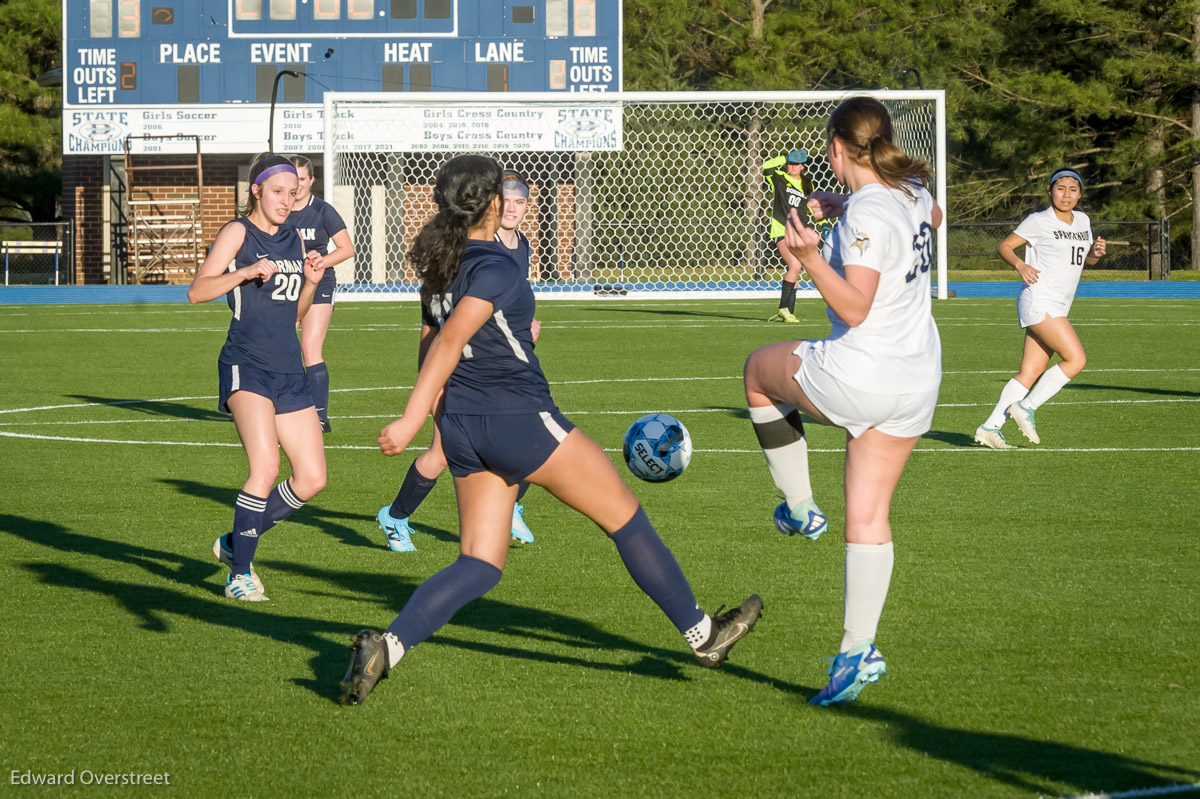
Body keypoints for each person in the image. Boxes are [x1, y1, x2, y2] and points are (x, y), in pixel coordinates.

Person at [340, 154, 762, 705]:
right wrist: (413, 416)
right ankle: (703, 636)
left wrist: (442, 417)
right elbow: (447, 343)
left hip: (466, 425)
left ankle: (388, 647)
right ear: (493, 203)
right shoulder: (499, 264)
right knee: (626, 520)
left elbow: (432, 341)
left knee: (479, 563)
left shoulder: (441, 267)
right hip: (517, 417)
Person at [742, 97, 943, 706]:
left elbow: (853, 306)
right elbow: (930, 215)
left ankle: (800, 508)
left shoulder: (868, 211)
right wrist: (841, 208)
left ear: (835, 148)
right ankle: (856, 650)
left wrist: (807, 259)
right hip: (919, 378)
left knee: (757, 371)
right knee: (869, 518)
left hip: (865, 369)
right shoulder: (907, 191)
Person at [187, 154, 328, 601]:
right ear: (256, 191)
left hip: (289, 368)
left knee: (311, 479)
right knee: (265, 469)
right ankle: (241, 573)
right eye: (277, 192)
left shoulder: (292, 239)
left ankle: (234, 542)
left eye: (293, 192)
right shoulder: (237, 232)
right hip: (246, 364)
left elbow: (294, 317)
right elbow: (196, 291)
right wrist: (244, 272)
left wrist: (308, 281)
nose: (287, 200)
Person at [374, 170, 539, 551]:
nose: (510, 208)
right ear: (490, 205)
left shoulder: (520, 246)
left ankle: (507, 509)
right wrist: (425, 392)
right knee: (444, 451)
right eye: (505, 200)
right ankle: (396, 516)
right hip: (460, 370)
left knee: (524, 440)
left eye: (519, 201)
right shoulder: (467, 248)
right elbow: (437, 328)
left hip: (493, 366)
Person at [974, 169, 1106, 449]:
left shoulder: (1083, 220)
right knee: (1076, 359)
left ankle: (990, 428)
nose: (1067, 194)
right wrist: (1020, 265)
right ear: (1050, 191)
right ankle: (1027, 407)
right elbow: (1005, 246)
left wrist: (1094, 254)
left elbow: (1083, 261)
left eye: (1073, 189)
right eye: (1061, 188)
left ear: (1080, 194)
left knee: (1031, 371)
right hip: (1039, 299)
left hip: (1060, 304)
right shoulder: (1038, 221)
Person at [288, 155, 356, 434]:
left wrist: (318, 262)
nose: (297, 185)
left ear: (311, 181)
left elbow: (346, 249)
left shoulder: (323, 210)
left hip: (319, 283)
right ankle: (284, 408)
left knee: (309, 348)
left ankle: (319, 415)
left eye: (302, 179)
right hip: (287, 285)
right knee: (283, 349)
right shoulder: (278, 209)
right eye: (292, 179)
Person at [763, 148, 817, 324]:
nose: (792, 166)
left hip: (799, 231)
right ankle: (783, 308)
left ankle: (789, 312)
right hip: (781, 229)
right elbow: (766, 167)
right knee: (795, 264)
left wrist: (822, 224)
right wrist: (785, 156)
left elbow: (810, 207)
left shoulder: (808, 184)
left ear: (802, 166)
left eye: (796, 163)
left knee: (795, 269)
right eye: (790, 163)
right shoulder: (778, 179)